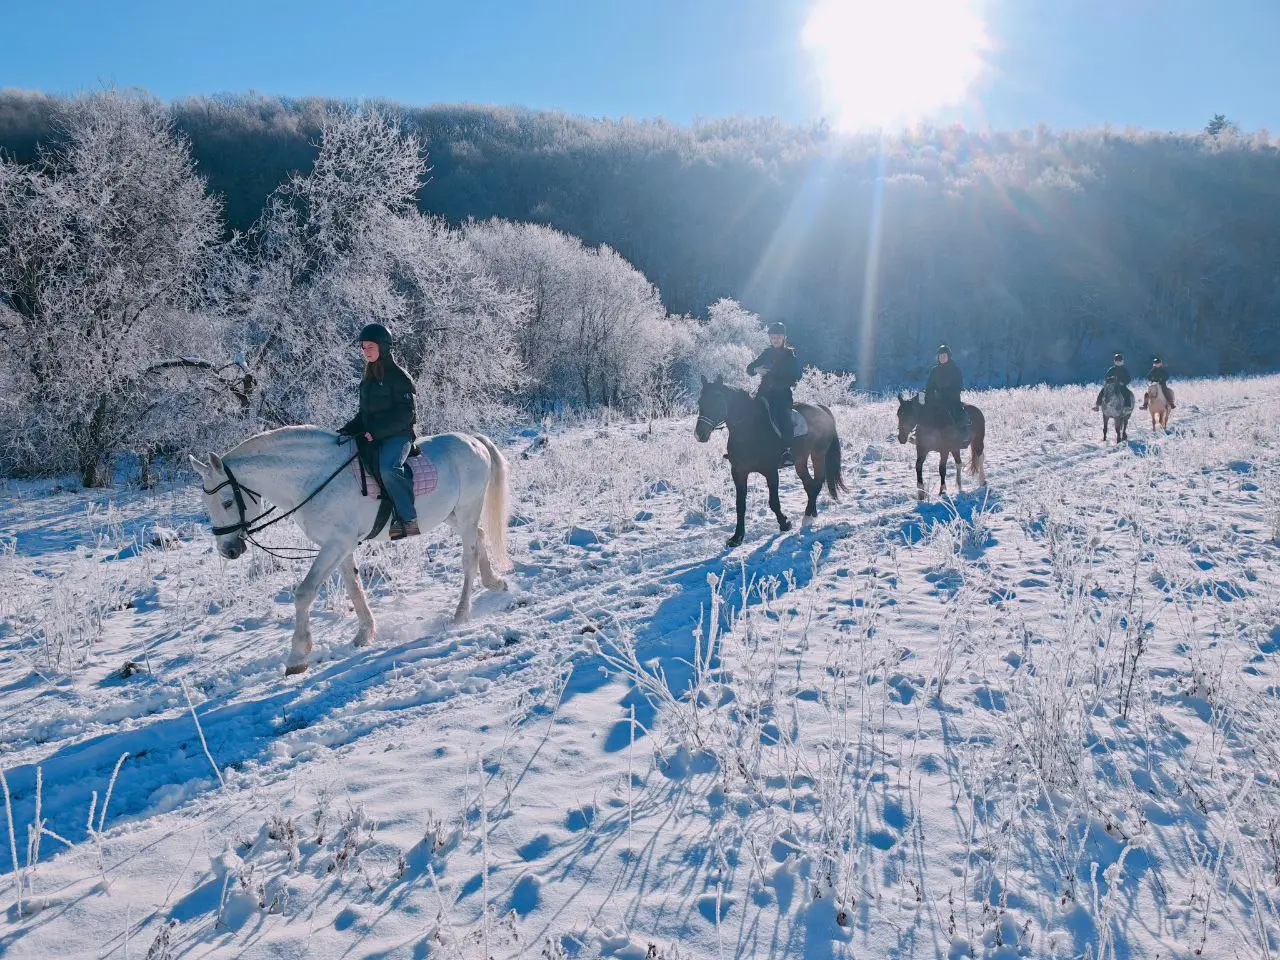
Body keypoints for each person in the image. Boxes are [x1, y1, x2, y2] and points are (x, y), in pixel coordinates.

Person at [337, 323, 420, 539]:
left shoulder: (399, 376)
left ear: (383, 347)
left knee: (388, 468)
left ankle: (408, 519)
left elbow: (406, 414)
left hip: (399, 435)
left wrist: (375, 431)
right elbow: (364, 415)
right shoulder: (368, 378)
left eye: (370, 347)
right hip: (373, 434)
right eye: (363, 347)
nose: (365, 351)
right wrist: (347, 430)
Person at [746, 321, 802, 466]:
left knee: (783, 417)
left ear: (784, 337)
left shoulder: (790, 356)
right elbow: (749, 368)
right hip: (763, 394)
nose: (775, 339)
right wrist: (755, 370)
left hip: (782, 396)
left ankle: (786, 451)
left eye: (778, 337)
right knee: (748, 414)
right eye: (772, 337)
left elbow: (795, 376)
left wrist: (775, 382)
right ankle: (747, 448)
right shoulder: (766, 353)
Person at [924, 344, 965, 430]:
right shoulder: (934, 370)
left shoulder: (955, 369)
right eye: (940, 356)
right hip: (937, 399)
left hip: (952, 399)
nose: (942, 357)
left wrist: (947, 394)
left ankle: (961, 432)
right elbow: (930, 385)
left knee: (956, 414)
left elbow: (958, 385)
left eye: (944, 356)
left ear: (948, 356)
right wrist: (928, 394)